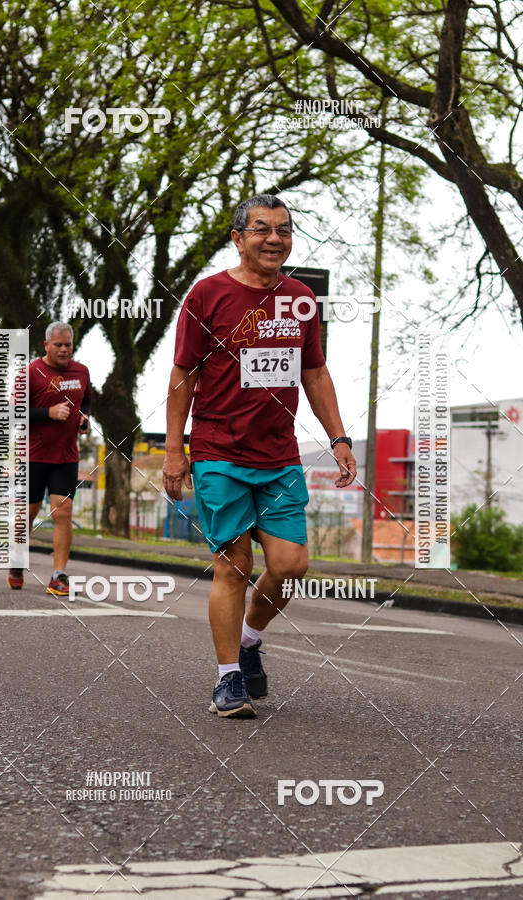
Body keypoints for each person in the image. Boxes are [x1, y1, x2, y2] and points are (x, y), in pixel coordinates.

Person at [163, 194, 356, 718]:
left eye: (284, 230)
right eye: (261, 229)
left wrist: (339, 438)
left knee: (291, 566)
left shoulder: (301, 298)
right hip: (219, 450)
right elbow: (183, 375)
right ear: (237, 238)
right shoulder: (208, 295)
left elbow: (314, 372)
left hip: (279, 456)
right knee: (234, 566)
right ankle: (228, 680)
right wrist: (175, 449)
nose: (274, 238)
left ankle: (249, 641)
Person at [7, 322, 92, 596]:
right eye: (58, 345)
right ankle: (16, 560)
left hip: (66, 456)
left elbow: (86, 399)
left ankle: (58, 576)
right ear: (46, 345)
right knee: (28, 513)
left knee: (63, 512)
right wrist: (48, 413)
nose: (64, 349)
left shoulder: (82, 371)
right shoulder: (30, 373)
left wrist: (84, 417)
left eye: (68, 344)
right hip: (33, 456)